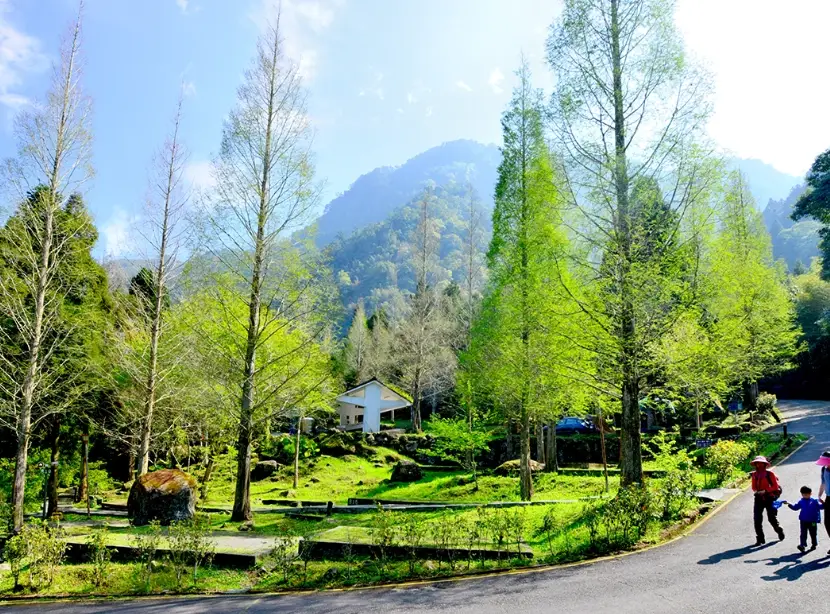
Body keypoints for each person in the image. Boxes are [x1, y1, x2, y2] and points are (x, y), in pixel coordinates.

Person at [751, 455, 785, 546]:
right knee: (757, 519)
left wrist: (765, 490)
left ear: (764, 464)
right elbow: (753, 487)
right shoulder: (754, 475)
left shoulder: (770, 474)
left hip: (769, 497)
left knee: (771, 518)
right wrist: (758, 491)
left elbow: (775, 486)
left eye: (761, 463)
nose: (759, 465)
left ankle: (778, 529)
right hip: (758, 498)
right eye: (757, 463)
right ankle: (760, 538)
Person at [782, 486, 823, 553]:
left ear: (810, 494)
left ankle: (814, 544)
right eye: (803, 494)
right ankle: (802, 545)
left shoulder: (814, 501)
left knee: (813, 533)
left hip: (813, 521)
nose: (805, 495)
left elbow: (820, 507)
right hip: (803, 521)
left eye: (807, 494)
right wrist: (789, 505)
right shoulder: (801, 501)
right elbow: (795, 507)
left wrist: (825, 504)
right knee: (803, 533)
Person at [815, 450, 830, 553]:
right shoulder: (823, 469)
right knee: (828, 523)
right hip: (828, 498)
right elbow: (823, 483)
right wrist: (820, 495)